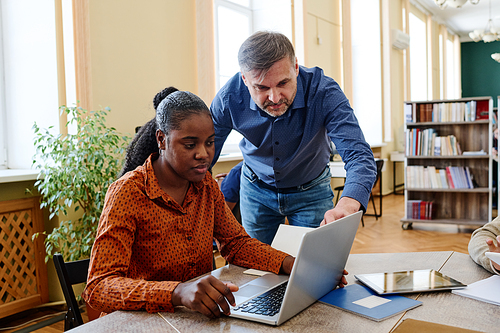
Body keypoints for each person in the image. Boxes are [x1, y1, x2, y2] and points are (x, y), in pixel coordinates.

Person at [82, 88, 312, 319]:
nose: (203, 154)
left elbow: (236, 244)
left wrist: (289, 262)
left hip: (195, 318)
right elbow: (99, 287)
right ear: (162, 139)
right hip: (143, 320)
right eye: (190, 145)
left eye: (210, 142)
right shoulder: (128, 193)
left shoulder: (206, 186)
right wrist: (177, 292)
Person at [210, 31, 377, 244]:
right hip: (255, 190)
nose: (274, 97)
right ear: (244, 79)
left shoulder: (324, 92)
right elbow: (204, 154)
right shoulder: (228, 98)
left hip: (311, 190)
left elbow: (359, 155)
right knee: (256, 268)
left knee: (316, 266)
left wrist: (347, 204)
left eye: (283, 83)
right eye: (261, 87)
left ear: (296, 68)